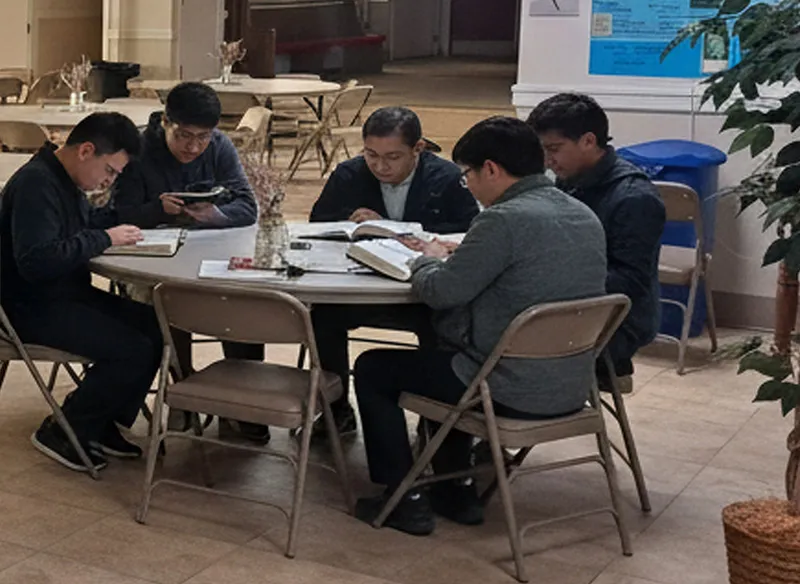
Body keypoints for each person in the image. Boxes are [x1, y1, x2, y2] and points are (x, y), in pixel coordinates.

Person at [352, 117, 608, 536]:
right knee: (442, 358)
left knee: (374, 368)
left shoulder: (502, 219)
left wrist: (428, 258)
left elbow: (441, 292)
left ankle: (404, 497)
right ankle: (457, 490)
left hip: (504, 386)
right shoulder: (581, 214)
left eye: (467, 174)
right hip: (570, 385)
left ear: (490, 169)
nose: (466, 184)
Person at [0, 112, 162, 473]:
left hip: (63, 296)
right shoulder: (36, 184)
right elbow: (37, 261)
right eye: (109, 171)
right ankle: (64, 428)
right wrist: (104, 239)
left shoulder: (63, 180)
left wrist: (137, 221)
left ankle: (104, 421)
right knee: (131, 349)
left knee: (154, 324)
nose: (108, 181)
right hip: (28, 307)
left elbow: (85, 224)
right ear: (86, 151)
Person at [308, 106, 479, 437]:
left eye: (393, 157)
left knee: (444, 325)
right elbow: (318, 224)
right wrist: (348, 218)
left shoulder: (446, 178)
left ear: (418, 149)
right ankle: (337, 408)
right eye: (371, 154)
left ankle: (436, 420)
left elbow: (468, 229)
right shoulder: (349, 173)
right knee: (322, 316)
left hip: (422, 293)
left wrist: (407, 233)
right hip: (359, 285)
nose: (380, 166)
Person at [113, 81, 268, 442]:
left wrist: (215, 214)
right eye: (184, 135)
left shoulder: (219, 146)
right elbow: (118, 215)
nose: (194, 146)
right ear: (165, 121)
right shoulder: (137, 150)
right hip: (151, 258)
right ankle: (182, 388)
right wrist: (156, 210)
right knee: (170, 298)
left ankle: (241, 399)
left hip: (211, 249)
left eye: (203, 137)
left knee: (244, 297)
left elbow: (248, 206)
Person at [527, 93, 666, 388]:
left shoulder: (633, 197)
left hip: (615, 323)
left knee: (486, 342)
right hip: (567, 304)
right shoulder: (569, 179)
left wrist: (546, 277)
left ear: (589, 141)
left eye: (554, 149)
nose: (547, 161)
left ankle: (492, 423)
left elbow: (628, 282)